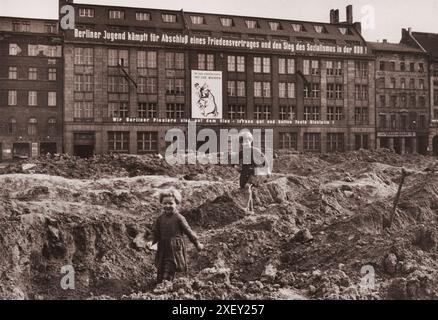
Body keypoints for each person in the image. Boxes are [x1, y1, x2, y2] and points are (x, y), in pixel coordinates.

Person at [147, 189, 204, 284]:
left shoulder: (179, 218)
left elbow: (189, 232)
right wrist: (151, 241)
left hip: (174, 249)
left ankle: (166, 284)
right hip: (163, 248)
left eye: (170, 203)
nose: (167, 206)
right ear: (161, 203)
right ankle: (161, 284)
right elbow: (155, 233)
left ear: (176, 203)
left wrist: (197, 243)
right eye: (165, 203)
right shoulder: (160, 219)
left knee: (169, 268)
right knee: (161, 268)